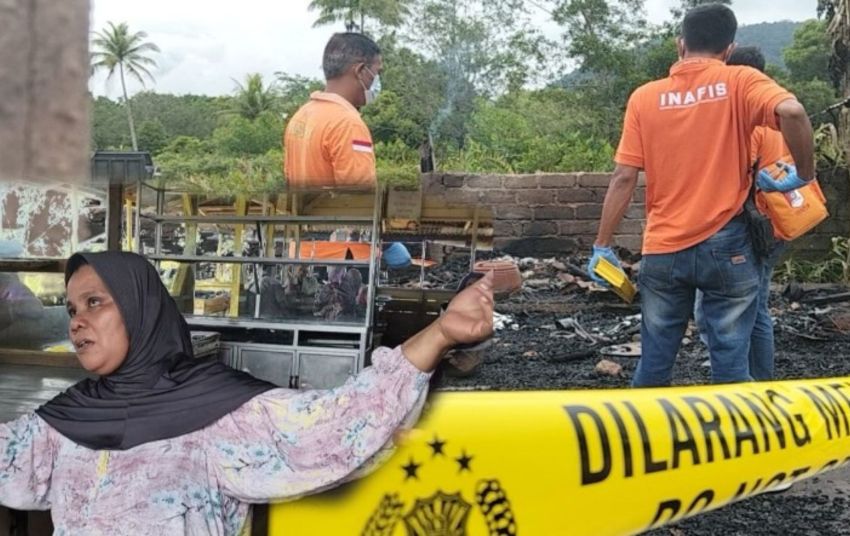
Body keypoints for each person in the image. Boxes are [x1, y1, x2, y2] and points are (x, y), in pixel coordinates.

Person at [0, 251, 493, 534]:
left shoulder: (216, 410)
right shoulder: (62, 424)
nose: (78, 321)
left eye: (94, 303)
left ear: (139, 308)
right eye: (70, 309)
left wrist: (439, 334)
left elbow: (339, 424)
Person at [588, 4, 815, 387]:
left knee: (656, 357)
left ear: (680, 44)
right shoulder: (740, 81)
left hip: (663, 248)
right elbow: (792, 112)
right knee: (729, 358)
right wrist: (804, 175)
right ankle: (734, 441)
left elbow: (624, 176)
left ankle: (642, 439)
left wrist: (603, 244)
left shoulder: (644, 97)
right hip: (727, 246)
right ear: (729, 49)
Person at [694, 46, 793, 381]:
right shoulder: (778, 110)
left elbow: (734, 176)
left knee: (726, 312)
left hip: (749, 228)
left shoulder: (748, 120)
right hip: (776, 223)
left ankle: (748, 385)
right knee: (758, 308)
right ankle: (760, 383)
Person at [283, 32, 382, 188]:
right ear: (360, 70)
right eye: (377, 73)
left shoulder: (301, 115)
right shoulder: (348, 125)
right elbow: (360, 202)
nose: (377, 82)